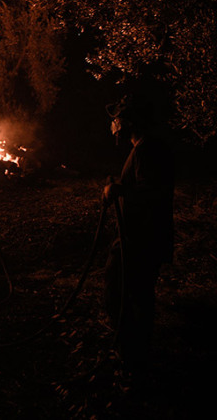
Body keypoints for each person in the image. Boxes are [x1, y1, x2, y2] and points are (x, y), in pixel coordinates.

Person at [102, 92, 174, 382]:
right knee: (130, 291)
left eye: (118, 118)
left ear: (129, 121)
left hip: (142, 239)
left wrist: (118, 191)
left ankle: (134, 359)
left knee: (131, 293)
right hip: (140, 236)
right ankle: (132, 353)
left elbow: (151, 193)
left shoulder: (147, 150)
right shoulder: (145, 148)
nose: (114, 124)